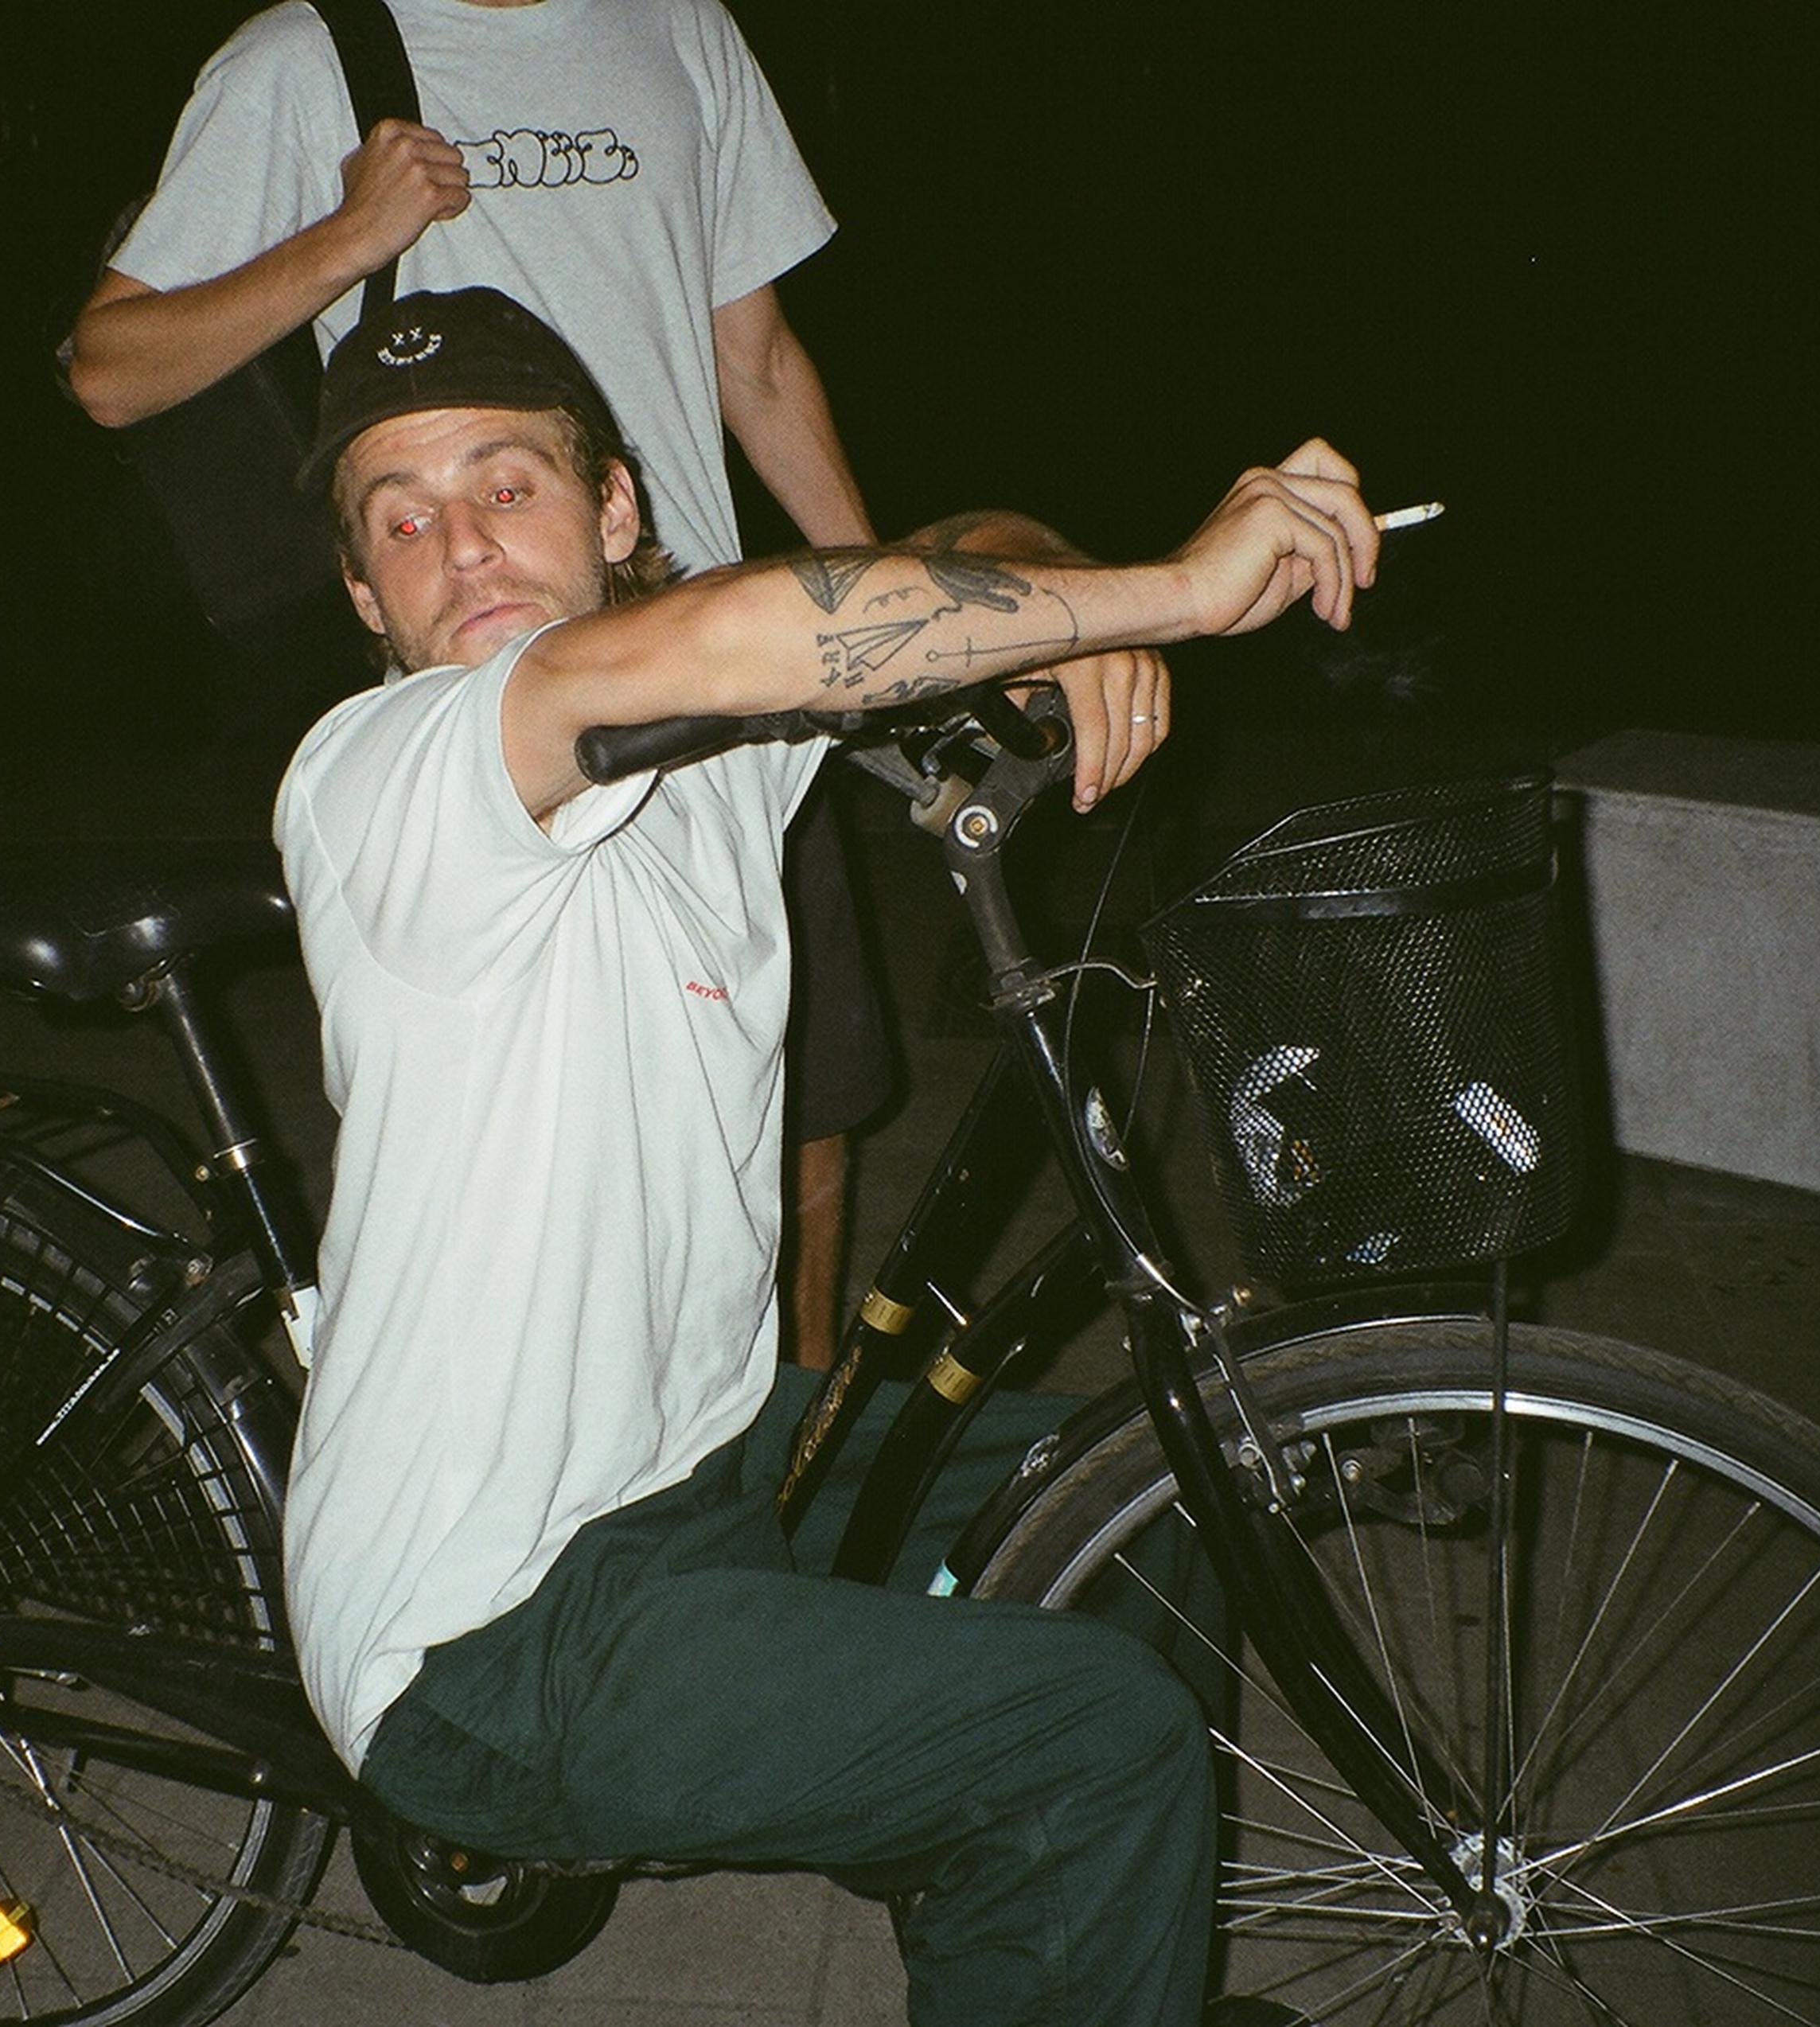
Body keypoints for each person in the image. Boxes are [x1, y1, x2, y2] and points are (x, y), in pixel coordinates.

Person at [273, 286, 1382, 2025]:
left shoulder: (708, 754)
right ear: (364, 599)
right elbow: (721, 641)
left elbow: (931, 555)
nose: (461, 543)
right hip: (489, 1625)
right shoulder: (382, 774)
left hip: (708, 1452)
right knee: (1096, 1741)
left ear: (616, 507)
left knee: (1143, 1482)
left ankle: (1074, 1949)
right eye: (399, 522)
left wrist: (1050, 598)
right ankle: (1045, 1854)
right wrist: (1170, 589)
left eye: (507, 482)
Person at [66, 0, 1099, 1367]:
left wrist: (902, 640)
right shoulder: (307, 60)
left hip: (739, 682)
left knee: (805, 1110)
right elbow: (111, 368)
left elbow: (757, 361)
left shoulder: (680, 28)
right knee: (553, 1168)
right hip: (499, 718)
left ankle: (780, 1449)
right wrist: (346, 240)